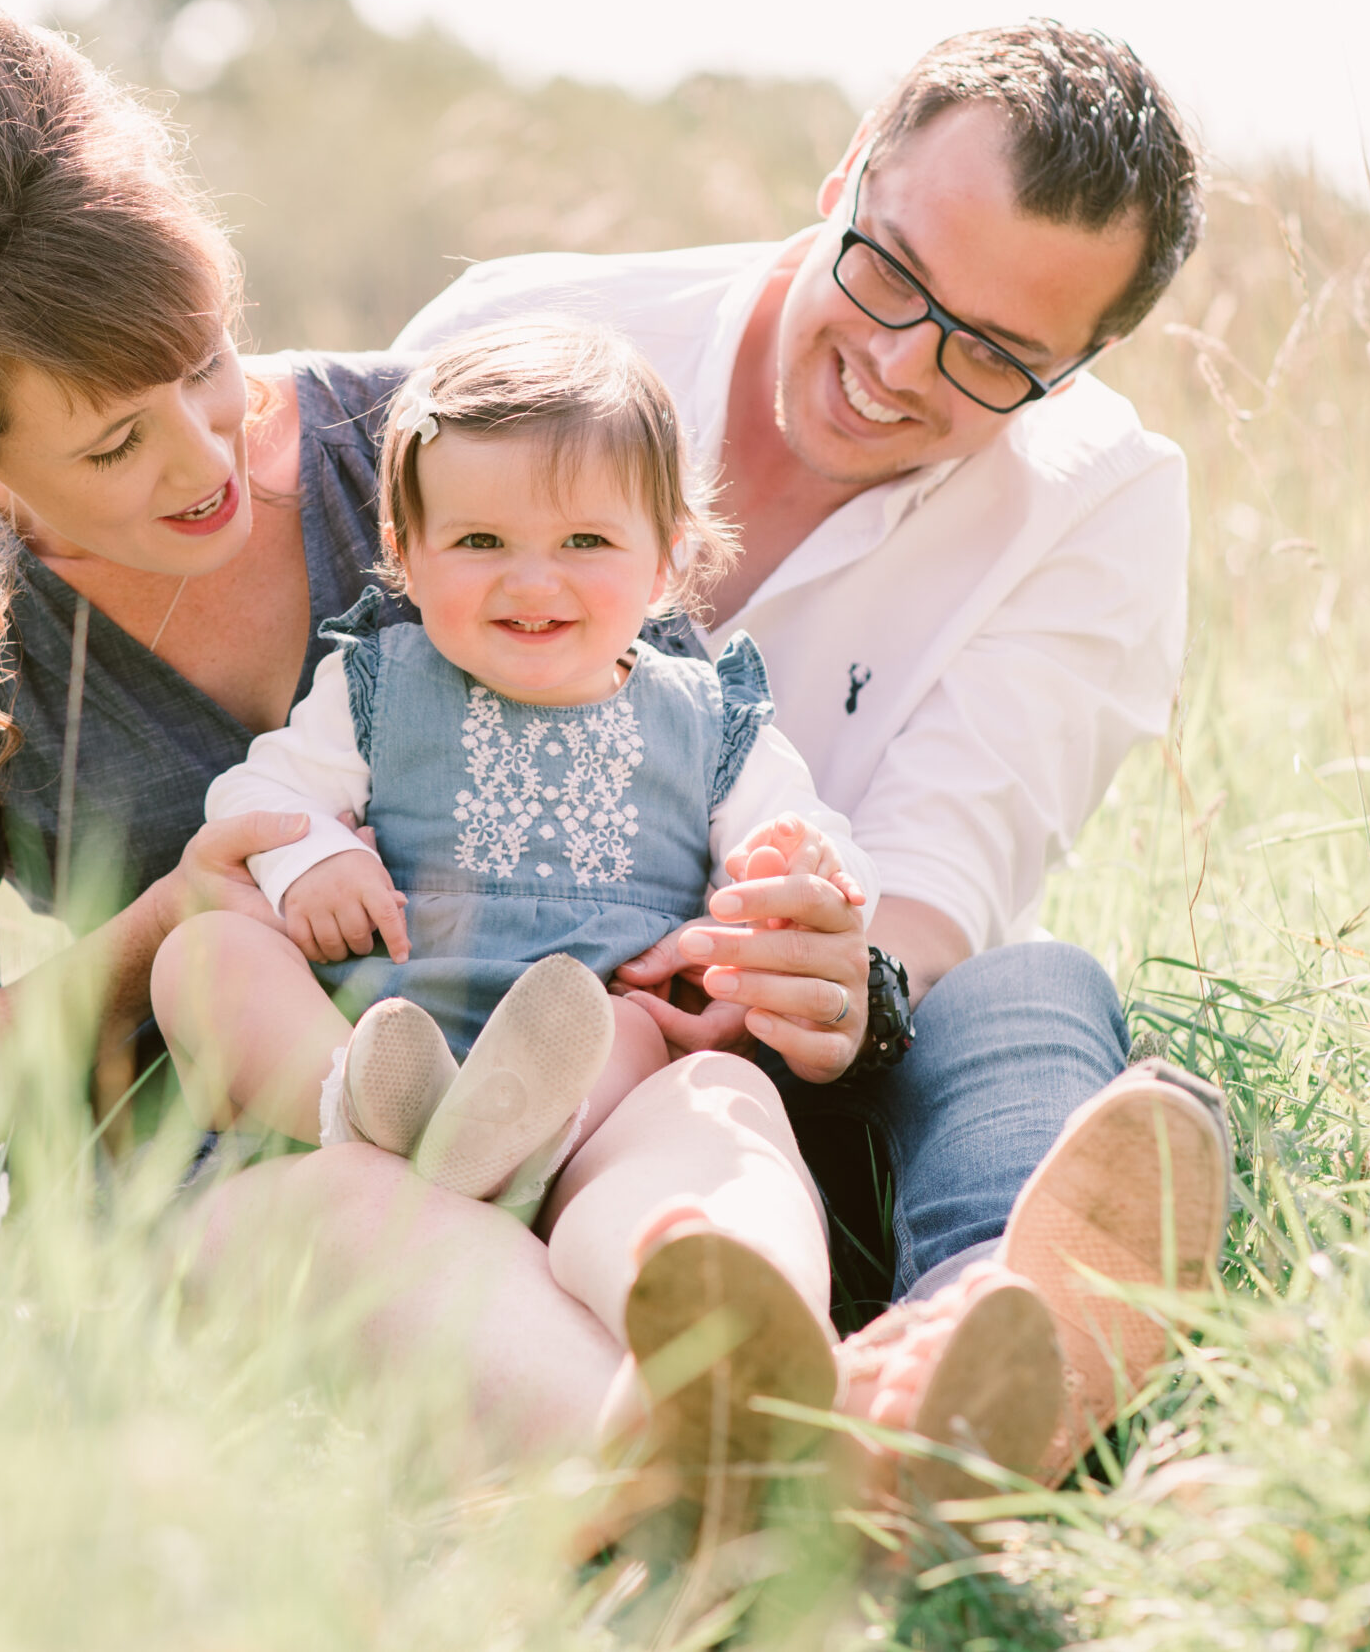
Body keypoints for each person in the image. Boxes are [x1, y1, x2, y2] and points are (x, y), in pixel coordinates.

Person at [0, 6, 1061, 1510]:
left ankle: (786, 1451)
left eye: (208, 359)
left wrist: (807, 953)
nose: (206, 453)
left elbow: (693, 752)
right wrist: (162, 928)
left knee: (739, 1119)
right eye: (112, 445)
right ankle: (814, 1485)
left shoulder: (451, 450)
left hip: (604, 1090)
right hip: (267, 1184)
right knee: (366, 1213)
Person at [394, 19, 1232, 1482]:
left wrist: (830, 971)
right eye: (890, 270)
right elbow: (346, 679)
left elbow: (944, 875)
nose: (900, 364)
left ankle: (990, 1346)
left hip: (797, 1054)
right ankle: (881, 1425)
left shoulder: (1100, 499)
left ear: (1084, 364)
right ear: (848, 169)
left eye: (993, 356)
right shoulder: (520, 336)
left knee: (1035, 982)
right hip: (466, 1010)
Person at [154, 319, 926, 1497]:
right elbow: (256, 798)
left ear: (666, 562)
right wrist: (309, 858)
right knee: (204, 953)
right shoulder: (372, 686)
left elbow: (821, 855)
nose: (531, 579)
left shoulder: (709, 721)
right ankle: (371, 1116)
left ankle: (739, 1313)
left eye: (583, 540)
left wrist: (792, 875)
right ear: (405, 555)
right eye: (477, 540)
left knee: (705, 1090)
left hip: (594, 1091)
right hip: (387, 1043)